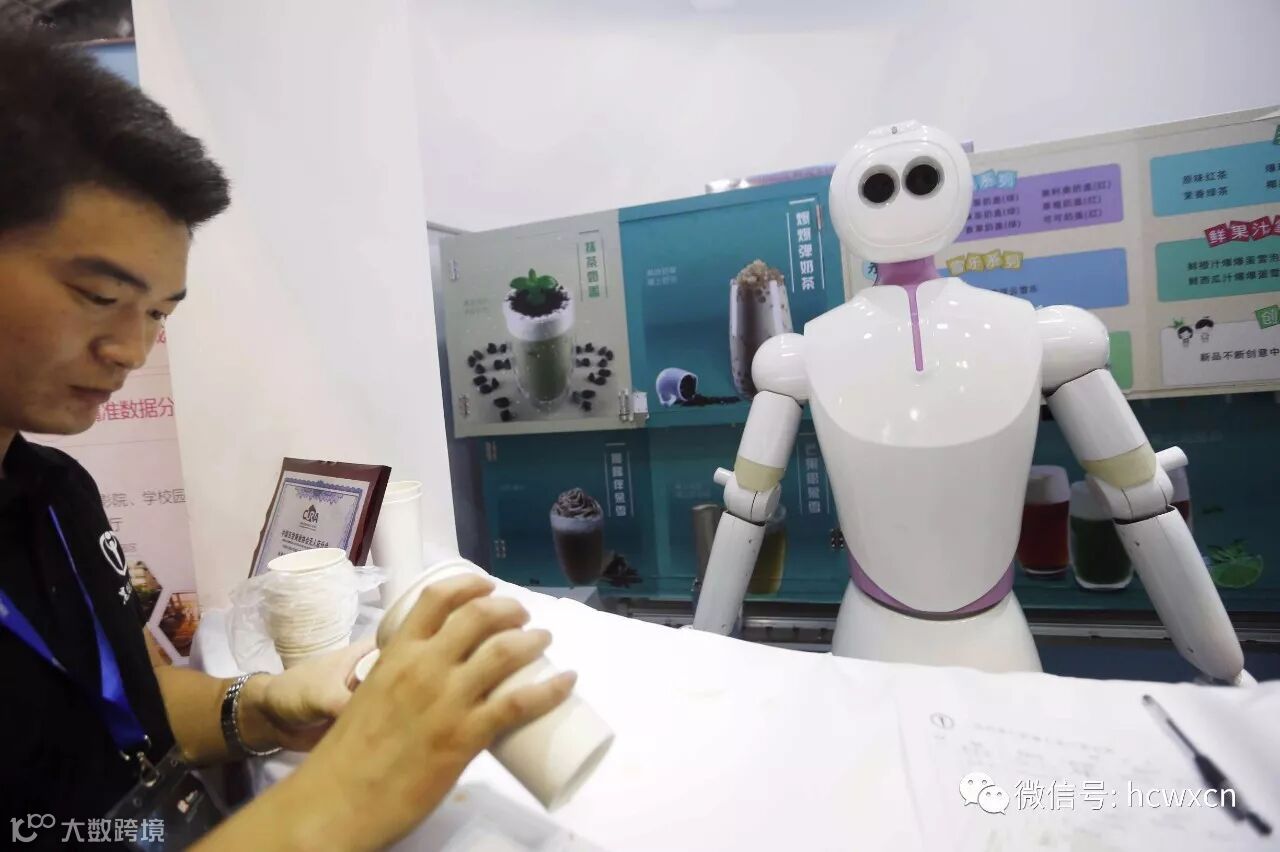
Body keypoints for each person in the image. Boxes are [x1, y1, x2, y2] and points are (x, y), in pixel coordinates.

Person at [0, 34, 575, 851]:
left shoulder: (57, 493)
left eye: (158, 313)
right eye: (98, 295)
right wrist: (341, 800)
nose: (130, 349)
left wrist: (266, 705)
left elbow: (122, 708)